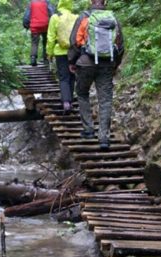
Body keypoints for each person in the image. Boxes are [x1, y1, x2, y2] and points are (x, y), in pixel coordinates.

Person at [68, 0, 124, 149]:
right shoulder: (113, 18)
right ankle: (104, 138)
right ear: (105, 2)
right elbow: (120, 45)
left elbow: (73, 41)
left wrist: (72, 61)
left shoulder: (84, 17)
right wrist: (115, 64)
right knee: (105, 101)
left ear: (91, 1)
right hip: (106, 65)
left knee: (81, 93)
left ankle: (88, 129)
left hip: (85, 63)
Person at [46, 0, 78, 112]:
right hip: (74, 52)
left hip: (60, 52)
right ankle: (71, 101)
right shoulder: (76, 17)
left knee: (63, 78)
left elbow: (50, 37)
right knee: (72, 76)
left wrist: (49, 53)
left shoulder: (55, 17)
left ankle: (66, 103)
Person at [23, 0, 56, 66]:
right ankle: (46, 59)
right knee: (46, 42)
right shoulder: (46, 2)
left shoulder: (31, 3)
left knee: (34, 43)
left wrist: (26, 24)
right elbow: (51, 12)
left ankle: (33, 58)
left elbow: (27, 15)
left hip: (34, 26)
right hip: (45, 25)